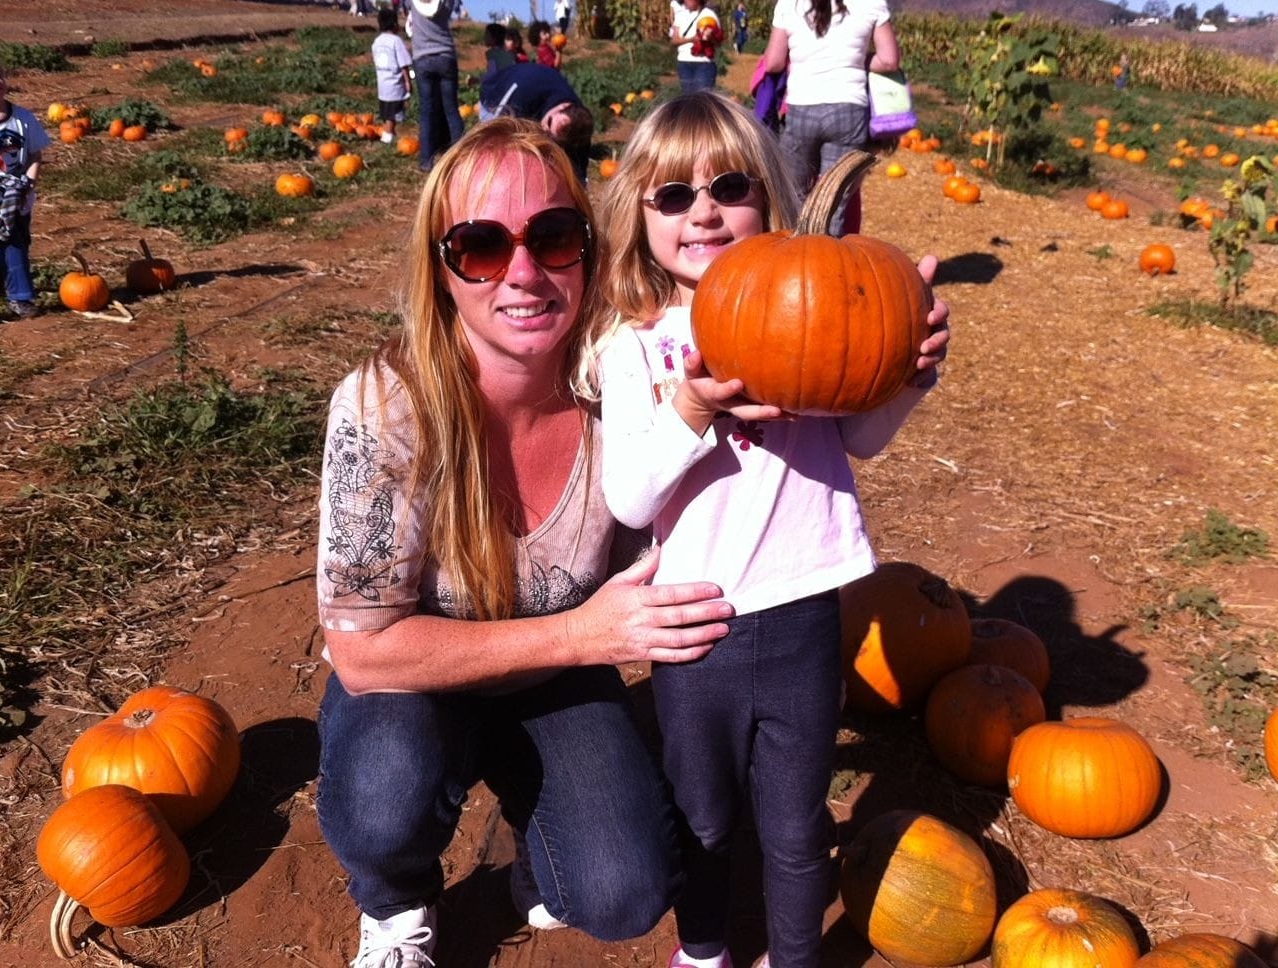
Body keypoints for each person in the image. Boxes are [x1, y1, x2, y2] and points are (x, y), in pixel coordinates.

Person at [315, 117, 738, 968]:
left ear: (588, 249)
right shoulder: (386, 406)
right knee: (381, 796)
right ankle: (396, 902)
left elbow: (760, 330)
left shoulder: (623, 382)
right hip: (417, 682)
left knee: (622, 893)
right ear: (441, 271)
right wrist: (583, 635)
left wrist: (879, 366)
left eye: (552, 237)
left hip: (552, 683)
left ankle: (539, 854)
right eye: (480, 246)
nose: (523, 273)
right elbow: (362, 655)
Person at [591, 91, 949, 968]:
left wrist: (905, 375)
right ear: (640, 216)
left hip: (800, 611)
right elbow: (631, 502)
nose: (703, 211)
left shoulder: (820, 304)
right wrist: (690, 406)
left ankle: (794, 958)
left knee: (794, 824)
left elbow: (859, 434)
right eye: (673, 196)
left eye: (730, 186)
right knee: (703, 813)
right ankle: (706, 950)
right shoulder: (633, 348)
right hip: (694, 627)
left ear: (770, 201)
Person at [764, 0, 900, 235]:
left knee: (793, 192)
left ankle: (787, 261)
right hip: (849, 108)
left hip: (802, 106)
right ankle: (826, 264)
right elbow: (889, 60)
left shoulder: (789, 3)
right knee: (834, 200)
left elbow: (773, 62)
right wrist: (860, 61)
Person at [0, 50, 50, 320]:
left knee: (18, 240)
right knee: (13, 241)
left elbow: (35, 154)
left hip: (17, 195)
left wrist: (29, 182)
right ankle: (20, 297)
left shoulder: (23, 118)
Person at [479, 62, 592, 183]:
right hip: (497, 98)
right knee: (499, 158)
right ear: (563, 106)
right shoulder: (521, 94)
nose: (544, 130)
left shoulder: (578, 123)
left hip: (535, 103)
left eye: (553, 139)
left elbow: (579, 170)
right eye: (549, 123)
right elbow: (493, 132)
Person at [406, 0, 465, 171]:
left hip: (422, 58)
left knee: (427, 111)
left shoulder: (413, 3)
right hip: (445, 55)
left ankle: (426, 160)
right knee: (451, 109)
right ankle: (460, 157)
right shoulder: (446, 3)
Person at [371, 7, 413, 145]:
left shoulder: (377, 42)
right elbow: (403, 64)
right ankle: (387, 137)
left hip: (382, 85)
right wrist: (408, 82)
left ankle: (390, 134)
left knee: (387, 112)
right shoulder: (396, 41)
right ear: (395, 24)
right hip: (395, 85)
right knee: (393, 115)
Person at [670, 0, 724, 94]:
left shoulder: (709, 15)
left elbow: (718, 43)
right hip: (684, 63)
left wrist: (710, 37)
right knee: (688, 99)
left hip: (704, 63)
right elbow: (674, 41)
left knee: (702, 99)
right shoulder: (680, 15)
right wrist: (692, 39)